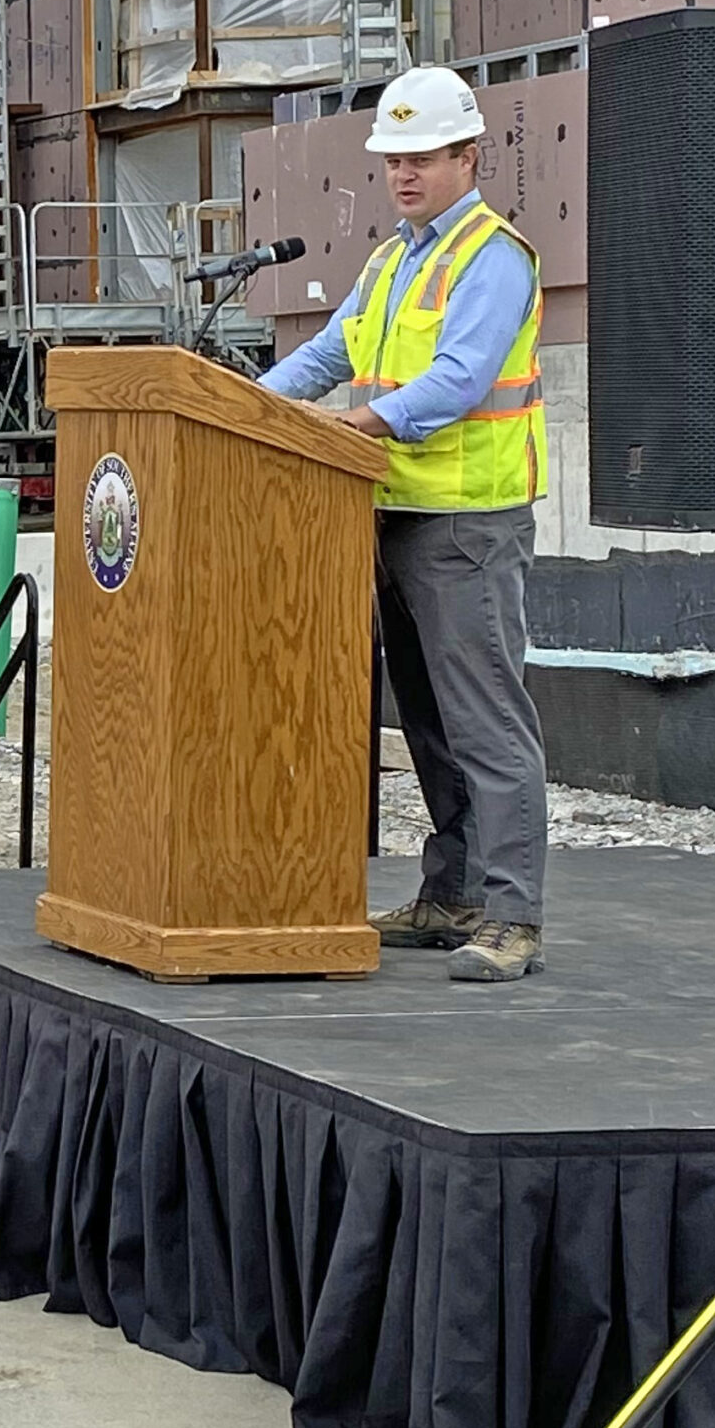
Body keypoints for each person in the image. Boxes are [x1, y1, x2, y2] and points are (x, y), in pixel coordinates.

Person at [260, 64, 550, 984]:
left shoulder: (492, 258)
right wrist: (238, 407)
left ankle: (511, 916)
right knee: (428, 725)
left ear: (469, 155)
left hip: (465, 524)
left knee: (487, 726)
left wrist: (360, 423)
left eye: (423, 157)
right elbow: (332, 349)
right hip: (388, 513)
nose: (405, 174)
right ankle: (454, 892)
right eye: (394, 159)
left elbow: (459, 380)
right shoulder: (395, 257)